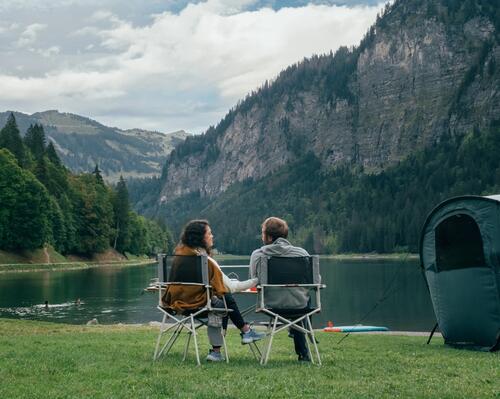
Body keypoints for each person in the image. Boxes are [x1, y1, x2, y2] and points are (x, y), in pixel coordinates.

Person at [162, 219, 265, 362]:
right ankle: (233, 339)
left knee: (221, 298)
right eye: (209, 233)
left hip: (175, 304)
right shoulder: (205, 260)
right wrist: (257, 280)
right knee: (223, 299)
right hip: (198, 305)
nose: (212, 236)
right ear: (200, 238)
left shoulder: (179, 256)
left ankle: (243, 333)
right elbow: (231, 287)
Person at [249, 216, 313, 362]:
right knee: (303, 301)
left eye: (263, 233)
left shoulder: (258, 255)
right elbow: (315, 282)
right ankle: (303, 351)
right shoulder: (301, 254)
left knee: (294, 301)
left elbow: (254, 280)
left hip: (271, 306)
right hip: (299, 306)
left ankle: (295, 332)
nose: (261, 236)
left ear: (269, 237)